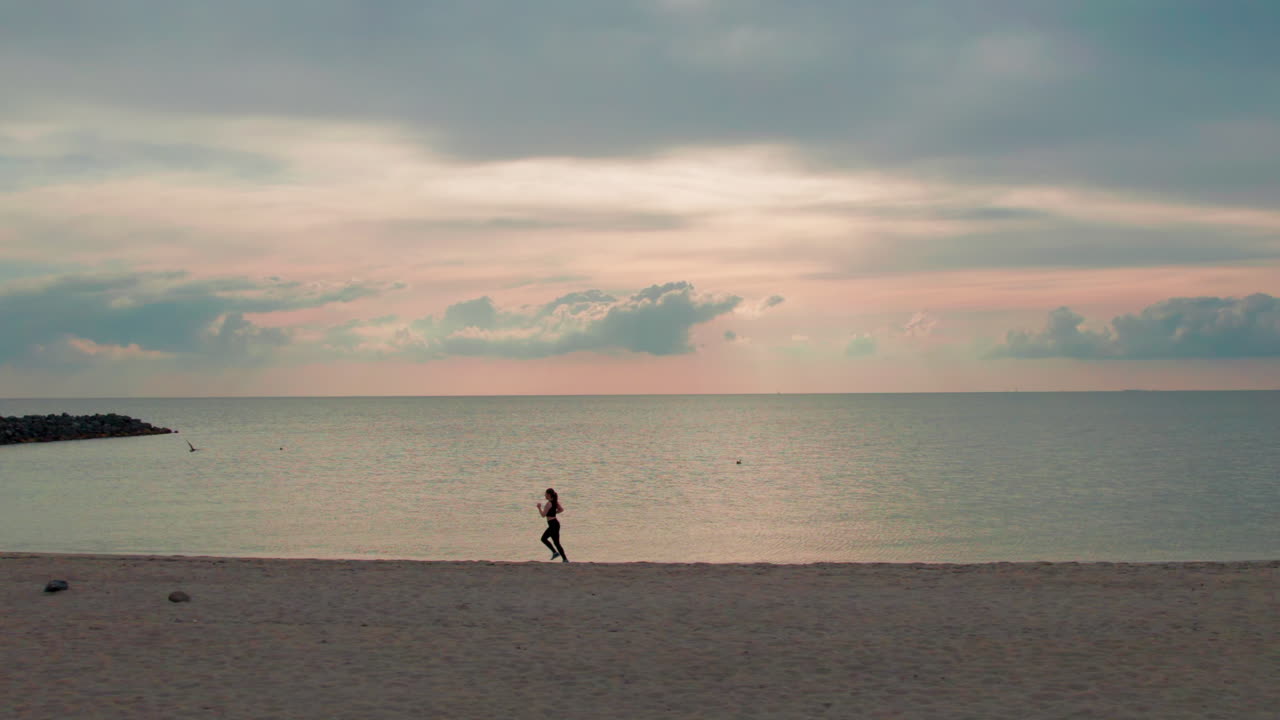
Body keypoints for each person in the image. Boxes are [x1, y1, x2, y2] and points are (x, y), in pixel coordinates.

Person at [537, 488, 568, 562]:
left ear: (549, 495)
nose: (545, 495)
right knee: (556, 543)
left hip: (553, 524)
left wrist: (539, 508)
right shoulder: (555, 502)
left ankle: (556, 553)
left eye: (545, 494)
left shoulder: (549, 503)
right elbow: (561, 510)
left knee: (544, 539)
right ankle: (564, 559)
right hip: (555, 523)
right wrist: (554, 513)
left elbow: (543, 515)